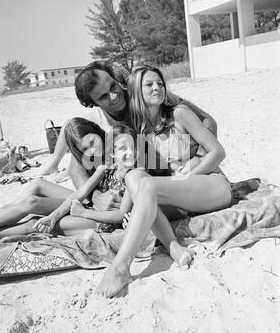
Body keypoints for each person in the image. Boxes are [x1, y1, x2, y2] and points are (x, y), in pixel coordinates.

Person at [97, 65, 233, 298]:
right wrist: (134, 205)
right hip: (179, 192)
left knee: (148, 186)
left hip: (210, 184)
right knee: (134, 176)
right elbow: (133, 173)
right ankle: (172, 245)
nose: (156, 87)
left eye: (159, 83)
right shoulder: (138, 129)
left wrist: (188, 176)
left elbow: (217, 152)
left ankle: (120, 267)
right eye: (149, 84)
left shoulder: (179, 113)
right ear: (136, 92)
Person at [39, 61, 217, 190]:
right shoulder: (97, 122)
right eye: (103, 97)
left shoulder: (142, 94)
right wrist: (96, 198)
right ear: (93, 103)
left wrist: (198, 158)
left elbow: (207, 122)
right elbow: (75, 168)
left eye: (112, 87)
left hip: (176, 176)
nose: (114, 96)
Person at [0, 118, 135, 239]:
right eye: (84, 149)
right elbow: (80, 193)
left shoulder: (128, 170)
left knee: (35, 224)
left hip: (102, 221)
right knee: (33, 202)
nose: (92, 150)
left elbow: (120, 213)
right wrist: (53, 216)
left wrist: (83, 212)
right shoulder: (104, 165)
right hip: (90, 208)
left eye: (92, 142)